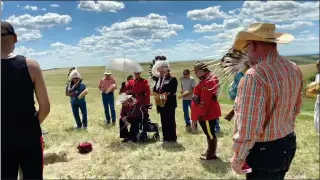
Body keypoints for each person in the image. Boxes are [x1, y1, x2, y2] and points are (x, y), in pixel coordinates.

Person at [230, 23, 303, 180]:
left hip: (265, 151)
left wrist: (238, 158)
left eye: (246, 48)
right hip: (288, 142)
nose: (246, 53)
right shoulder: (293, 68)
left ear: (253, 45)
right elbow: (296, 109)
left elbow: (249, 128)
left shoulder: (254, 75)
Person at [1, 21, 50, 179]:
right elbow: (45, 107)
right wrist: (32, 125)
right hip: (29, 136)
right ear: (15, 38)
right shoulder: (31, 65)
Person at [190, 61, 221, 160]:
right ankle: (210, 151)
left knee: (210, 133)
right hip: (207, 111)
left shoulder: (209, 80)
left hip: (207, 113)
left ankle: (211, 154)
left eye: (196, 71)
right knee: (209, 133)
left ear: (200, 70)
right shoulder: (208, 78)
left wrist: (200, 114)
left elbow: (205, 100)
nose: (195, 73)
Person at [152, 60, 178, 142]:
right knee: (163, 121)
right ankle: (165, 137)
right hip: (161, 103)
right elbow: (155, 89)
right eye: (160, 70)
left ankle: (172, 138)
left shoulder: (172, 79)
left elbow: (173, 90)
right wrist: (156, 93)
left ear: (167, 69)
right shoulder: (158, 80)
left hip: (169, 104)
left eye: (163, 69)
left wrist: (165, 93)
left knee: (170, 120)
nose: (161, 71)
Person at [306, 60, 320, 134]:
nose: (317, 67)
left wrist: (316, 91)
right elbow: (316, 87)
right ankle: (318, 131)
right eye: (317, 66)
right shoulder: (317, 76)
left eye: (318, 65)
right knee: (317, 115)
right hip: (318, 99)